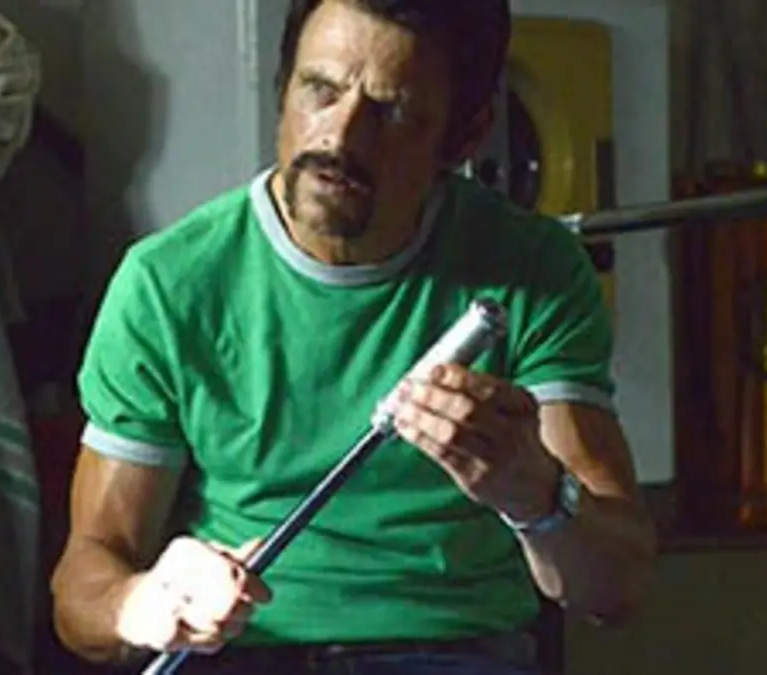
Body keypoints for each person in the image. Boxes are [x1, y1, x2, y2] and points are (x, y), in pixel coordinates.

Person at [50, 0, 657, 673]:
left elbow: (615, 588)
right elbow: (83, 590)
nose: (339, 138)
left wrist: (534, 493)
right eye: (320, 89)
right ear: (282, 88)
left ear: (467, 135)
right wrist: (143, 601)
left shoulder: (532, 269)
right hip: (241, 656)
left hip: (449, 654)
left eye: (392, 111)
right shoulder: (169, 283)